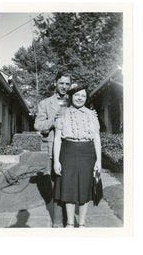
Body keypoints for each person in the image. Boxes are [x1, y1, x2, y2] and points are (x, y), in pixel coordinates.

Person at [53, 84, 101, 228]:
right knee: (69, 187)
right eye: (77, 95)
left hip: (87, 153)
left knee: (85, 188)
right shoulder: (62, 114)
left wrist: (99, 160)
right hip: (67, 152)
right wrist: (56, 161)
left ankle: (82, 224)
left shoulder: (92, 115)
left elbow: (97, 138)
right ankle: (69, 223)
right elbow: (57, 139)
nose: (80, 98)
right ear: (71, 96)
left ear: (86, 98)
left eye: (83, 96)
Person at [34, 72, 72, 227]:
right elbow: (38, 125)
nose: (64, 86)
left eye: (67, 84)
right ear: (55, 82)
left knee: (70, 185)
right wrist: (52, 119)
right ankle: (57, 221)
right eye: (61, 83)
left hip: (72, 149)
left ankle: (69, 220)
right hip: (53, 150)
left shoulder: (75, 100)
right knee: (56, 184)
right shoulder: (45, 103)